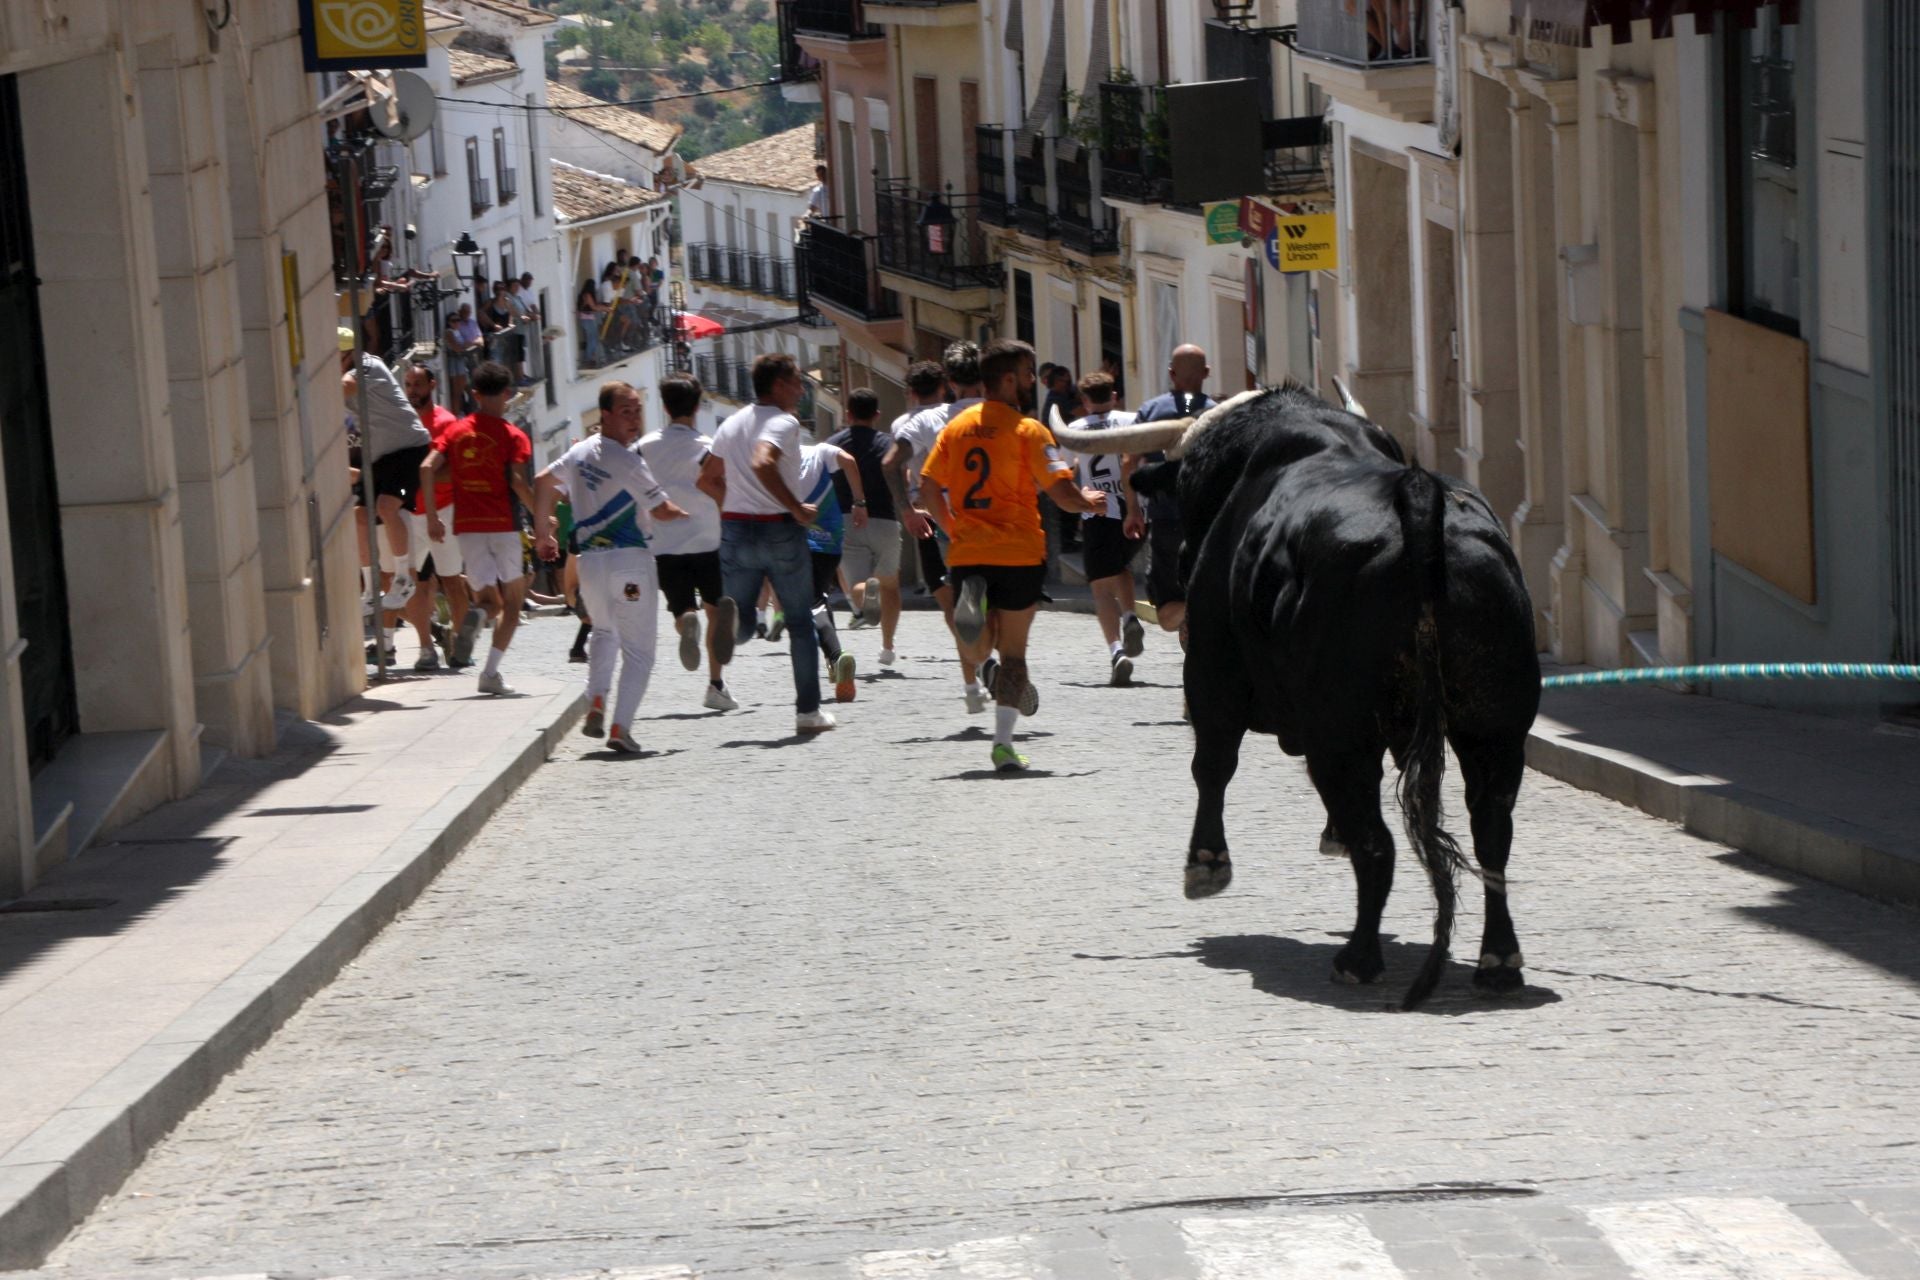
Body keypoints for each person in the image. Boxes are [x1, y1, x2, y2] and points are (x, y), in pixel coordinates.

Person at [920, 339, 1107, 771]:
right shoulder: (1028, 430)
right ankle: (1002, 745)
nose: (1030, 382)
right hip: (1019, 552)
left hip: (968, 550)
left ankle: (977, 642)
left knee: (981, 641)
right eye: (1026, 374)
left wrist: (953, 531)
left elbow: (928, 488)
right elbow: (1060, 492)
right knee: (1016, 653)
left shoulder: (956, 429)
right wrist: (1088, 502)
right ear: (1008, 379)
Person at [535, 382, 688, 753]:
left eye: (637, 409)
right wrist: (700, 515)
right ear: (605, 415)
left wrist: (543, 534)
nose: (635, 418)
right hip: (630, 565)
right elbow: (663, 511)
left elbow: (542, 482)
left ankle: (597, 700)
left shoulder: (579, 453)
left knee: (603, 632)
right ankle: (620, 727)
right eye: (626, 411)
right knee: (639, 652)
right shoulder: (630, 462)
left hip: (590, 565)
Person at [698, 352, 836, 734]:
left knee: (742, 621)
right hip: (779, 530)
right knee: (799, 622)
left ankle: (736, 626)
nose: (801, 388)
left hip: (736, 530)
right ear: (777, 385)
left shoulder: (732, 423)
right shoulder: (783, 422)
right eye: (795, 381)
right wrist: (794, 506)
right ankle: (808, 712)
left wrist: (734, 507)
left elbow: (706, 479)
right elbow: (763, 461)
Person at [883, 343, 990, 712]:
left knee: (952, 601)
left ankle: (972, 681)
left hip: (938, 517)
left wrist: (907, 510)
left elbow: (892, 464)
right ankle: (989, 664)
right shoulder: (1004, 415)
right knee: (998, 601)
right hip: (997, 518)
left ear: (949, 380)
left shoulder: (918, 422)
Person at [420, 361, 536, 695]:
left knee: (489, 600)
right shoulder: (514, 435)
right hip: (504, 524)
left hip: (467, 526)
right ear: (507, 394)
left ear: (474, 394)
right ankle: (489, 673)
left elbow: (427, 468)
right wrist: (541, 519)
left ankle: (478, 614)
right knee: (512, 604)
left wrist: (431, 516)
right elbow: (516, 480)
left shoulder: (455, 431)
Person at [639, 373, 741, 712]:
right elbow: (720, 485)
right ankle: (715, 686)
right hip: (708, 539)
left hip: (664, 543)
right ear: (697, 406)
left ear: (664, 406)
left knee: (680, 608)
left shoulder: (643, 447)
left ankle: (686, 623)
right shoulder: (706, 447)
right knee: (716, 611)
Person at [339, 327, 432, 615]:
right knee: (359, 516)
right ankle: (370, 589)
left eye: (336, 356)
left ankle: (404, 579)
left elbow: (343, 387)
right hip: (379, 456)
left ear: (350, 353)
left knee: (386, 507)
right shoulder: (350, 370)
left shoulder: (369, 366)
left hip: (409, 448)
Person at [1131, 343, 1216, 635]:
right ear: (1206, 373)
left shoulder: (1152, 410)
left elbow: (1129, 462)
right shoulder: (1219, 414)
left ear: (1171, 374)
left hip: (1167, 523)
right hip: (1210, 526)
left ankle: (1196, 609)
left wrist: (1132, 511)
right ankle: (1207, 606)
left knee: (1167, 612)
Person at [1070, 371, 1147, 684]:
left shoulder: (1074, 428)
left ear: (1086, 401)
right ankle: (1130, 615)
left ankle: (1117, 651)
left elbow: (1064, 470)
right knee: (1121, 567)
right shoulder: (1134, 420)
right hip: (1137, 512)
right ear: (1114, 395)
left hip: (1099, 511)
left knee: (1101, 588)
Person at [399, 362, 476, 670]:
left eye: (417, 384)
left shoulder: (446, 422)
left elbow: (452, 470)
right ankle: (426, 648)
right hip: (409, 512)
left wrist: (424, 479)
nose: (412, 391)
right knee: (413, 584)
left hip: (444, 511)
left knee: (453, 582)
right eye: (408, 384)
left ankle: (460, 646)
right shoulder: (402, 421)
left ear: (432, 385)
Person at [827, 385, 904, 663]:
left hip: (847, 519)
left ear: (848, 414)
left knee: (856, 583)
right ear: (877, 415)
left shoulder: (834, 443)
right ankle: (887, 647)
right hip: (885, 518)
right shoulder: (888, 443)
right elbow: (902, 478)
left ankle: (866, 590)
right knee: (891, 585)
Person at [796, 432, 870, 703]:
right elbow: (849, 460)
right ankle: (834, 662)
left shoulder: (776, 460)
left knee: (812, 602)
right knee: (820, 596)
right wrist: (859, 502)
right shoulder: (820, 451)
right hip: (830, 536)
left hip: (797, 537)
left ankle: (837, 657)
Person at [442, 303, 484, 410]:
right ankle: (456, 415)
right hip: (455, 362)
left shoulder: (457, 332)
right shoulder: (449, 332)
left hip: (461, 361)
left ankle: (466, 410)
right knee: (457, 392)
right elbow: (458, 348)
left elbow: (464, 345)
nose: (456, 322)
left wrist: (467, 344)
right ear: (449, 322)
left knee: (465, 389)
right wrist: (471, 343)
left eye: (457, 320)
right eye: (453, 320)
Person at [576, 278, 608, 367]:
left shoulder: (584, 294)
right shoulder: (587, 294)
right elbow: (594, 307)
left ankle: (590, 357)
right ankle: (589, 358)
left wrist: (604, 307)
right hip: (587, 319)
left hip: (587, 319)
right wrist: (606, 309)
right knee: (592, 339)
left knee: (592, 338)